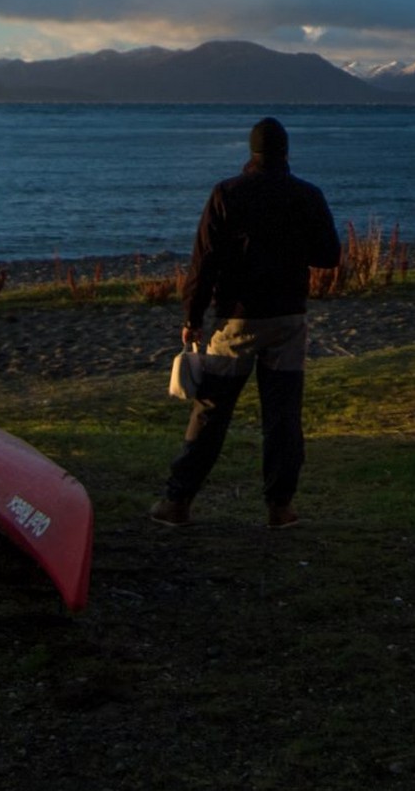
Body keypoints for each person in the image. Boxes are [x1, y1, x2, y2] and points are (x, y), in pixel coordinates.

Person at [151, 116, 342, 529]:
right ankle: (280, 507)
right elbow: (329, 255)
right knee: (283, 416)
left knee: (212, 410)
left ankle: (177, 502)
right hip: (289, 318)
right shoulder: (308, 195)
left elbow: (203, 261)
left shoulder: (227, 193)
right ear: (286, 152)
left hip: (237, 319)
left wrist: (192, 316)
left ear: (250, 152)